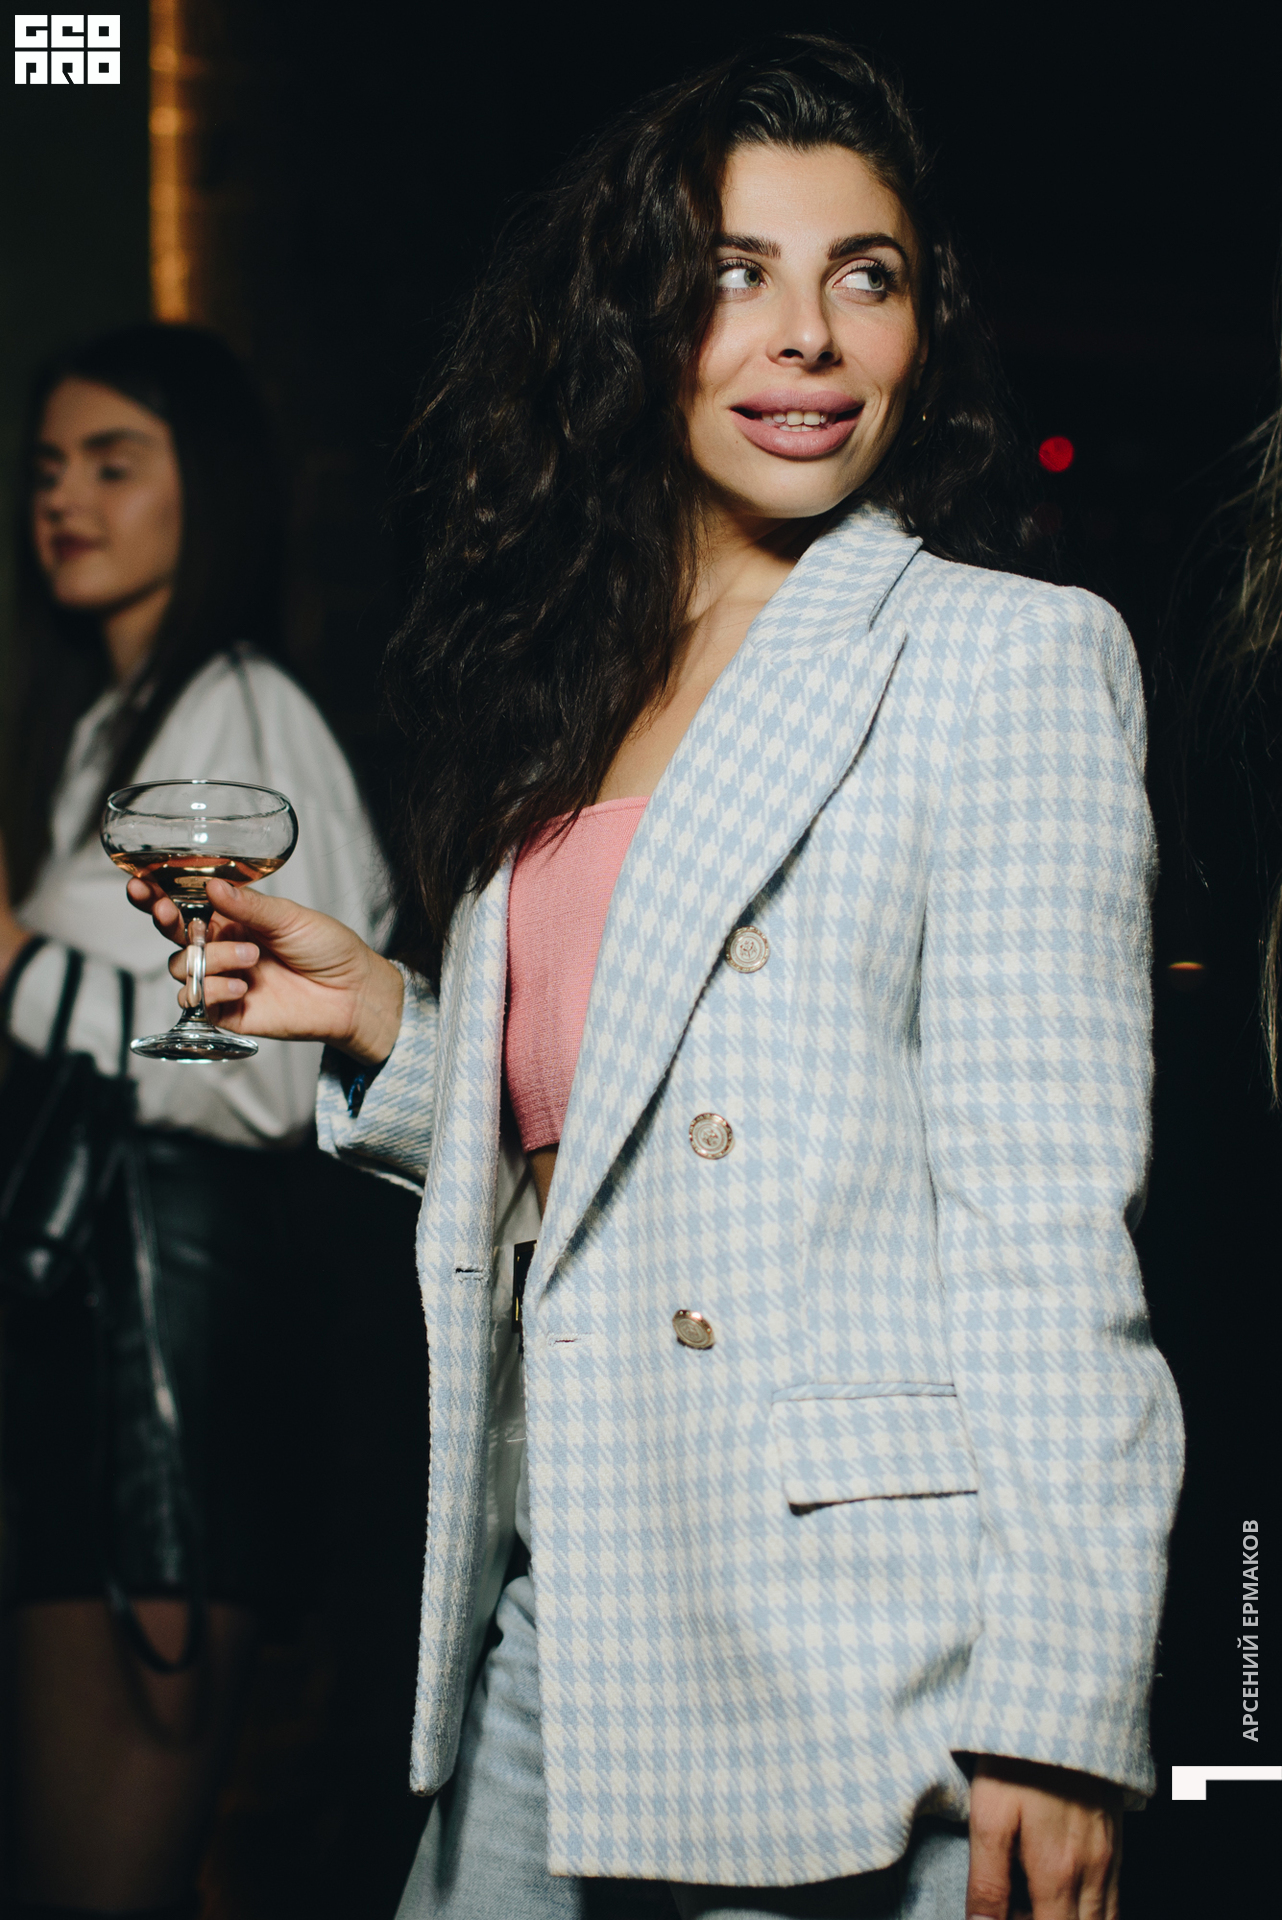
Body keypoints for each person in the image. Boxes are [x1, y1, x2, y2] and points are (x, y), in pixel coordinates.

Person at [131, 40, 1183, 1920]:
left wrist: (1062, 1702)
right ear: (637, 321)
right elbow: (625, 1154)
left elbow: (1047, 1231)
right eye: (733, 274)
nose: (808, 335)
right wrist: (387, 1019)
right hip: (567, 1592)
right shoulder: (574, 677)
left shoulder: (1001, 657)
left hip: (858, 1642)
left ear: (921, 324)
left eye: (864, 275)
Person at [0, 324, 391, 1919]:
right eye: (46, 470)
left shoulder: (239, 713)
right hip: (80, 1338)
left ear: (205, 491)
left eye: (114, 463)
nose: (63, 501)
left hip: (167, 1348)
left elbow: (267, 1074)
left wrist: (14, 963)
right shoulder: (106, 731)